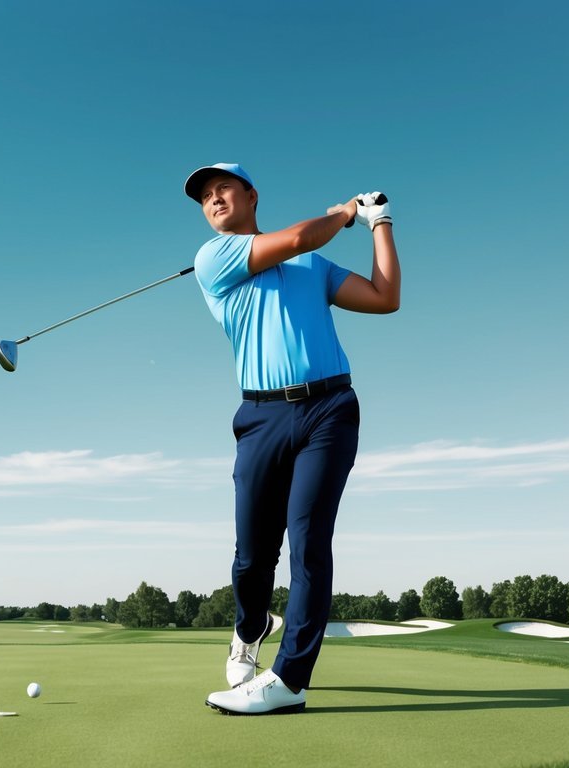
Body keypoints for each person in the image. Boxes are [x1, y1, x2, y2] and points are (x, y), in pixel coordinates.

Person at [184, 163, 400, 715]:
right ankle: (249, 630)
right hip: (261, 417)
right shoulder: (214, 258)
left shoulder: (312, 263)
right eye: (205, 197)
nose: (213, 200)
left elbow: (384, 296)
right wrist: (342, 213)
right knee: (253, 555)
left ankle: (290, 680)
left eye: (222, 189)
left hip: (330, 408)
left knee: (309, 543)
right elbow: (302, 233)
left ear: (251, 195)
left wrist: (380, 224)